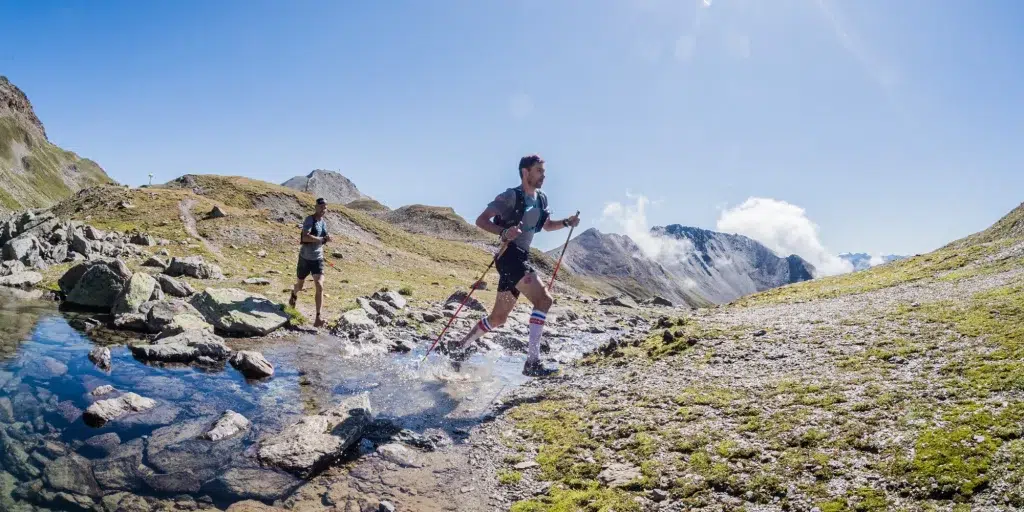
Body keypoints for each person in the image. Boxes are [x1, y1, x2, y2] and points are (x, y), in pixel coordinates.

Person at [444, 154, 580, 376]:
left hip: (520, 257)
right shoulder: (510, 196)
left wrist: (566, 223)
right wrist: (504, 232)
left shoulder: (542, 198)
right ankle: (532, 362)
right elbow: (481, 220)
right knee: (544, 299)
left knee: (498, 318)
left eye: (544, 172)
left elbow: (546, 226)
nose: (543, 176)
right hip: (510, 257)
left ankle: (459, 348)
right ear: (525, 172)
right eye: (539, 171)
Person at [290, 197, 332, 327]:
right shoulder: (309, 219)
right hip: (305, 258)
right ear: (316, 207)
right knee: (300, 286)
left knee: (319, 285)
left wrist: (327, 239)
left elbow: (323, 238)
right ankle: (294, 293)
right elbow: (305, 237)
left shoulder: (323, 222)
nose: (323, 209)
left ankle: (318, 318)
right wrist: (320, 239)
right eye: (321, 207)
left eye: (325, 207)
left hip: (317, 258)